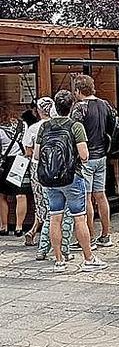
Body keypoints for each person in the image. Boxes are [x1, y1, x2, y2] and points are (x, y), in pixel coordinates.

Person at [33, 90, 108, 273]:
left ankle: (58, 261)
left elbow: (36, 154)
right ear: (71, 106)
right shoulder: (75, 126)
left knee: (54, 217)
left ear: (55, 107)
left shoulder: (44, 127)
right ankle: (89, 259)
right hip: (72, 177)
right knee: (79, 218)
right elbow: (84, 155)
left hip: (50, 179)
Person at [71, 74, 113, 248]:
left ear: (79, 90)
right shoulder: (105, 105)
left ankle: (90, 237)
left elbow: (73, 131)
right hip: (102, 155)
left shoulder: (79, 108)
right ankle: (106, 234)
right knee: (101, 196)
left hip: (86, 157)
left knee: (86, 197)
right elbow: (112, 126)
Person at [22, 98, 54, 247]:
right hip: (55, 166)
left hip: (37, 166)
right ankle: (48, 234)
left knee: (40, 199)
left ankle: (36, 231)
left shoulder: (33, 128)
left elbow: (28, 151)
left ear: (38, 110)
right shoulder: (57, 125)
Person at [0, 111, 27, 237]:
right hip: (20, 161)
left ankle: (4, 226)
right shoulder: (24, 125)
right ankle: (19, 227)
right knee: (20, 195)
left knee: (2, 195)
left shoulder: (0, 130)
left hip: (5, 162)